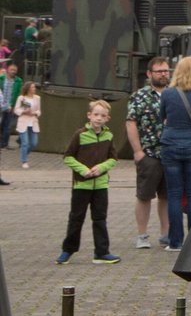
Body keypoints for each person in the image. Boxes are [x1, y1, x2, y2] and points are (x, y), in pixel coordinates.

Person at [157, 56, 191, 252]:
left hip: (170, 144)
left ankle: (175, 242)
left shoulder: (168, 93)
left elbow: (162, 117)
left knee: (173, 194)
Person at [57, 99, 120, 265]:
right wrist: (82, 169)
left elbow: (113, 158)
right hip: (81, 185)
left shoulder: (109, 136)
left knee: (100, 218)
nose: (99, 118)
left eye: (103, 115)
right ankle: (67, 250)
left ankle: (102, 252)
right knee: (76, 218)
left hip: (101, 185)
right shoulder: (80, 135)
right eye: (96, 114)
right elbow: (68, 156)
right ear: (89, 115)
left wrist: (101, 167)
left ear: (108, 118)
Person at [125, 56, 170, 249]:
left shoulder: (174, 94)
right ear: (149, 74)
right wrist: (138, 151)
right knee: (144, 196)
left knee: (167, 196)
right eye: (159, 71)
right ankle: (142, 235)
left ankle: (166, 234)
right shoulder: (139, 96)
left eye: (166, 71)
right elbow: (131, 122)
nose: (163, 74)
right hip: (149, 154)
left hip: (170, 154)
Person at [13, 81, 39, 168]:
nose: (34, 89)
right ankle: (24, 161)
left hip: (33, 123)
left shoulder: (37, 98)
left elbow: (39, 111)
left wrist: (35, 113)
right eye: (32, 87)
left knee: (34, 143)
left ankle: (24, 154)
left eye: (34, 87)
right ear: (28, 88)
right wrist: (24, 111)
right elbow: (16, 110)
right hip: (23, 122)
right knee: (25, 143)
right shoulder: (21, 98)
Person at [0, 61, 20, 158]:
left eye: (15, 70)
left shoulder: (18, 81)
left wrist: (14, 106)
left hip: (10, 106)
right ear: (8, 69)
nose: (13, 71)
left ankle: (5, 143)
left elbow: (18, 94)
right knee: (1, 124)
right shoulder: (1, 78)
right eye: (12, 69)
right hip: (1, 104)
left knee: (7, 126)